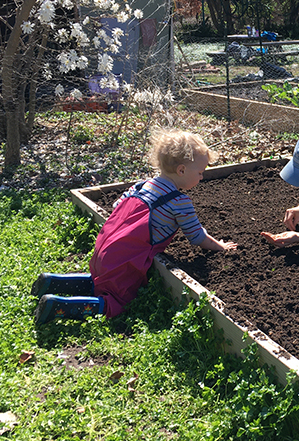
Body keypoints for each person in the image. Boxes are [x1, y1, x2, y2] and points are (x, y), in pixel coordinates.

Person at [32, 129, 237, 324]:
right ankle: (56, 306)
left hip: (106, 248)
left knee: (103, 281)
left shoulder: (142, 185)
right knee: (118, 300)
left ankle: (52, 282)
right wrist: (220, 246)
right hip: (127, 259)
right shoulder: (179, 201)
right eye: (200, 173)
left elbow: (116, 207)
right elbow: (196, 236)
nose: (202, 177)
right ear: (181, 170)